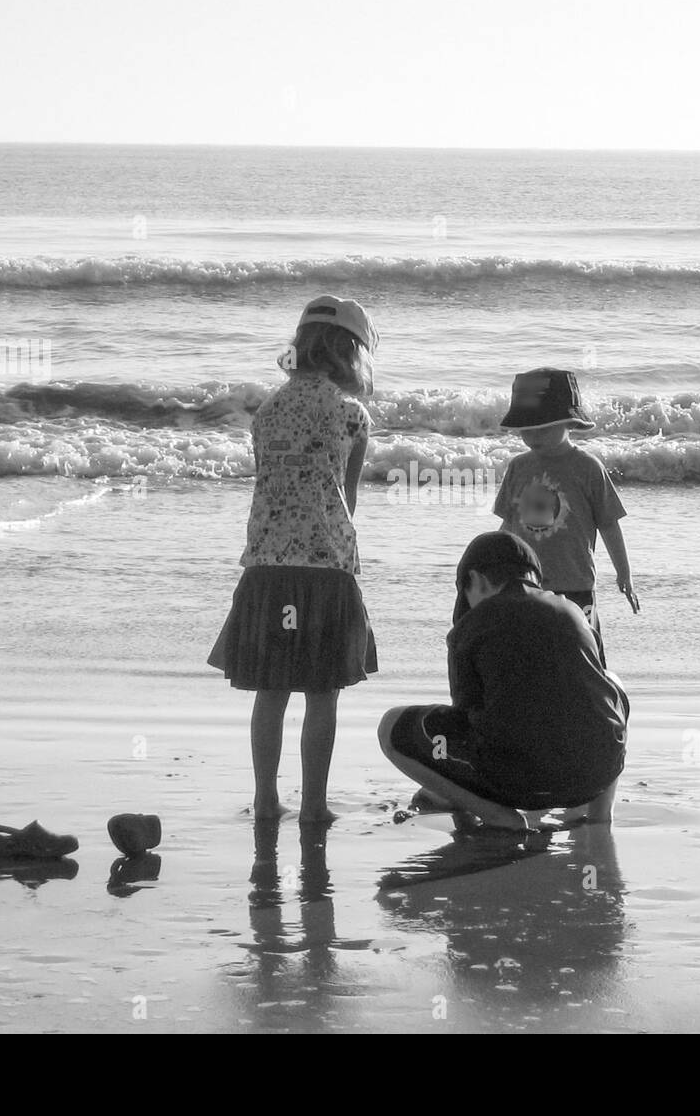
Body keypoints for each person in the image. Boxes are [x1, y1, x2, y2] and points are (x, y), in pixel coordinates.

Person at [207, 295, 379, 823]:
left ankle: (265, 798)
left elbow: (271, 481)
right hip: (325, 565)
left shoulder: (268, 411)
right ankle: (315, 805)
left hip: (267, 564)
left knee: (271, 690)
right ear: (350, 353)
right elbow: (346, 499)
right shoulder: (351, 414)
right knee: (322, 692)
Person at [378, 532, 628, 829]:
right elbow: (593, 695)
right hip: (594, 776)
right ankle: (599, 816)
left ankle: (499, 817)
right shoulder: (575, 612)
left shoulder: (471, 626)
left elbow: (465, 720)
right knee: (612, 683)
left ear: (477, 579)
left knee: (390, 727)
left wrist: (449, 788)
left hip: (519, 783)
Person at [492, 367, 638, 666]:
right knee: (531, 658)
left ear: (569, 423)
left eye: (542, 428)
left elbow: (608, 524)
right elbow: (507, 525)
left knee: (582, 655)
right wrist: (495, 569)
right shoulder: (518, 467)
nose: (532, 436)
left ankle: (590, 706)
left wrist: (624, 573)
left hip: (576, 582)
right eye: (525, 430)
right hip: (527, 584)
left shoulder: (587, 467)